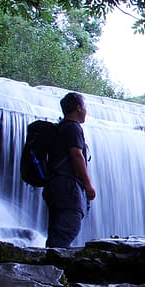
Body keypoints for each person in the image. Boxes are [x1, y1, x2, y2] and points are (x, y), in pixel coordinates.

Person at [43, 92, 97, 248]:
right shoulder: (73, 128)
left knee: (57, 229)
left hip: (53, 185)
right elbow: (76, 154)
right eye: (85, 107)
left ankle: (50, 264)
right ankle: (54, 266)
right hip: (67, 186)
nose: (86, 111)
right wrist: (87, 184)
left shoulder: (59, 128)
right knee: (69, 225)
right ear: (79, 108)